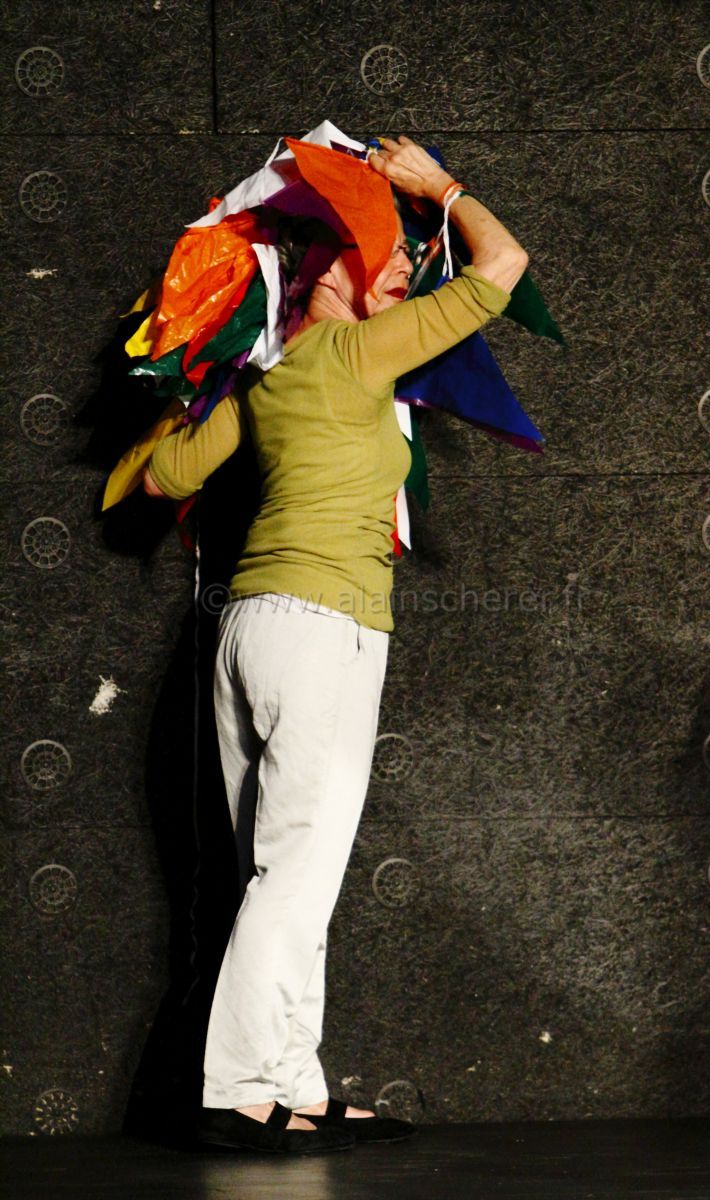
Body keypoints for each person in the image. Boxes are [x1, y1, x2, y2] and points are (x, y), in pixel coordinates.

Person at [142, 135, 529, 1155]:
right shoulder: (360, 353)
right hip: (324, 630)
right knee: (297, 875)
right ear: (334, 271)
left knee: (283, 874)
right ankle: (234, 1090)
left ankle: (290, 1085)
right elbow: (501, 266)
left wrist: (193, 384)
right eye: (390, 257)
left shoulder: (262, 381)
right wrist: (439, 188)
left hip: (246, 631)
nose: (405, 273)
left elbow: (164, 477)